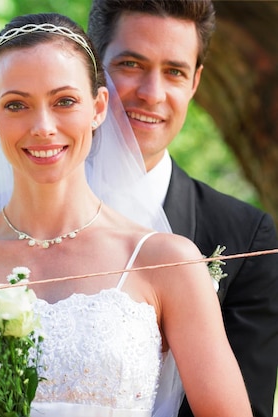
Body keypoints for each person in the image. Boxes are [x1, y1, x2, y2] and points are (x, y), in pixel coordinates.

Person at [0, 12, 252, 417]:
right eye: (17, 104)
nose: (43, 126)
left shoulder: (168, 262)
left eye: (64, 101)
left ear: (98, 107)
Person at [86, 1, 278, 416]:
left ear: (195, 83)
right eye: (132, 64)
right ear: (93, 68)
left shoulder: (245, 237)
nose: (152, 94)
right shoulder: (11, 214)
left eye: (174, 71)